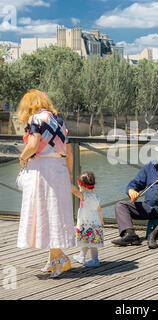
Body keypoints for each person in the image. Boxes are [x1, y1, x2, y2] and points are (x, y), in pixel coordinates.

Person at [16, 89, 75, 278]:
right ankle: (53, 258)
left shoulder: (35, 120)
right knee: (56, 212)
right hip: (59, 168)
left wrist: (22, 157)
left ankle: (60, 259)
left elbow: (33, 145)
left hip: (43, 170)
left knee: (45, 212)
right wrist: (69, 175)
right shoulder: (60, 121)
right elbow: (69, 151)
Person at [112, 140, 158, 249]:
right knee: (120, 205)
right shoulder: (149, 167)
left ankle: (155, 235)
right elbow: (134, 184)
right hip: (148, 207)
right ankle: (130, 234)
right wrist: (131, 190)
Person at [71, 172, 104, 267]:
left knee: (90, 242)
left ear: (82, 185)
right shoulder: (96, 197)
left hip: (86, 223)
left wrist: (67, 181)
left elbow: (74, 191)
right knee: (87, 240)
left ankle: (95, 260)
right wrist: (101, 221)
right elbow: (99, 210)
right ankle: (81, 256)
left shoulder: (84, 195)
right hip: (95, 223)